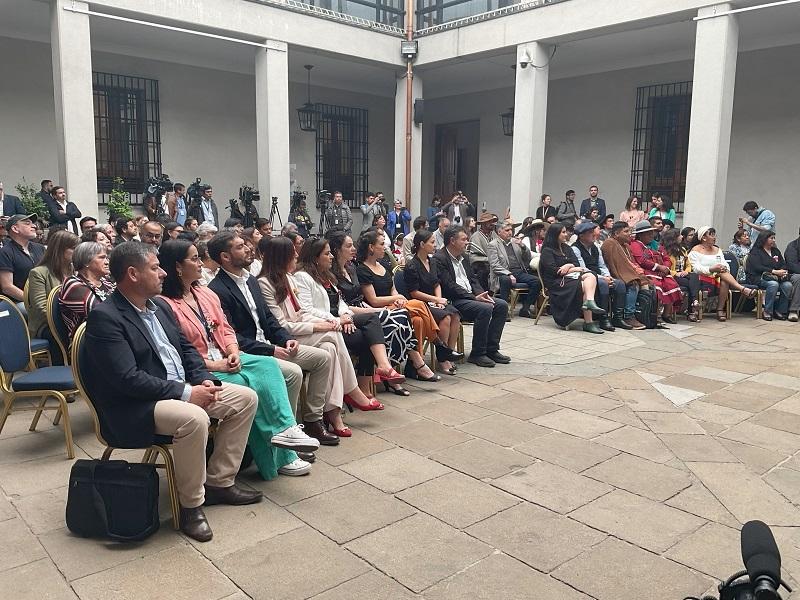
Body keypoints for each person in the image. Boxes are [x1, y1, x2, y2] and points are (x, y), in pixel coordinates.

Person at [80, 241, 261, 542]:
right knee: (193, 418)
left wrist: (204, 379)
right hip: (137, 404)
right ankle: (191, 506)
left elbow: (187, 350)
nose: (164, 273)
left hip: (176, 389)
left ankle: (219, 482)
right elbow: (127, 379)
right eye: (155, 268)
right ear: (133, 274)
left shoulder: (159, 306)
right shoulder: (106, 317)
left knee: (245, 398)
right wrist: (186, 393)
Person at [158, 240, 319, 478]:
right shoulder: (165, 305)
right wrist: (216, 364)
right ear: (178, 267)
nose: (201, 263)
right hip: (203, 367)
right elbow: (180, 352)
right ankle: (279, 458)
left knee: (268, 365)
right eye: (194, 259)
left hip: (228, 355)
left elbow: (226, 328)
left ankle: (286, 429)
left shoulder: (205, 293)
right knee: (250, 389)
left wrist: (233, 351)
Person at [206, 232, 337, 446]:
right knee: (293, 373)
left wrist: (285, 339)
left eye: (246, 245)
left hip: (271, 344)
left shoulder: (250, 280)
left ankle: (313, 420)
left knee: (323, 358)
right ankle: (287, 430)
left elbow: (268, 318)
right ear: (225, 257)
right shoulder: (217, 289)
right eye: (240, 247)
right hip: (251, 352)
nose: (248, 249)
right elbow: (232, 336)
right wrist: (271, 350)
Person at [259, 236, 383, 438]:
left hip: (302, 330)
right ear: (281, 257)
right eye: (292, 253)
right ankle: (350, 393)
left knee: (329, 349)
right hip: (287, 337)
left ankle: (324, 414)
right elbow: (282, 325)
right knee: (333, 334)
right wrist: (321, 326)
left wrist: (327, 322)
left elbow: (302, 312)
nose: (296, 256)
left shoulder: (289, 278)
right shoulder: (265, 283)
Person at [294, 237, 405, 395]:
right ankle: (362, 390)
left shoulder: (325, 275)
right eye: (327, 254)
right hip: (324, 325)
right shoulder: (302, 277)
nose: (331, 256)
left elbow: (340, 302)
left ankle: (383, 366)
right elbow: (307, 310)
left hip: (340, 318)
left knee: (372, 320)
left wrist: (345, 315)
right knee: (367, 336)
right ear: (315, 257)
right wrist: (339, 320)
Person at [328, 231, 415, 396]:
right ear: (337, 250)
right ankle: (396, 368)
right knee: (392, 318)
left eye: (353, 245)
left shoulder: (351, 268)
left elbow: (362, 297)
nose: (353, 249)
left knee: (400, 315)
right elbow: (343, 305)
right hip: (352, 312)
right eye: (348, 246)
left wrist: (386, 305)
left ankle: (391, 369)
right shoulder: (332, 274)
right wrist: (380, 309)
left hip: (362, 308)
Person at [357, 230, 441, 382]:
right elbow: (373, 300)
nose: (385, 247)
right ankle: (436, 345)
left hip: (395, 305)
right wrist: (397, 298)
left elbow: (393, 289)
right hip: (380, 310)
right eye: (381, 244)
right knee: (419, 304)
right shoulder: (362, 269)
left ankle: (414, 365)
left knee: (418, 320)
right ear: (371, 247)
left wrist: (398, 300)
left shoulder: (384, 265)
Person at [433, 226, 509, 366]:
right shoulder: (440, 258)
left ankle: (491, 349)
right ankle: (478, 353)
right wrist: (474, 298)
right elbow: (449, 285)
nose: (467, 242)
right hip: (454, 300)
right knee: (485, 308)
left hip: (471, 297)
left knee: (501, 305)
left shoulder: (465, 257)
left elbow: (473, 280)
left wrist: (481, 294)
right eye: (463, 239)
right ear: (452, 241)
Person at [404, 230, 464, 374]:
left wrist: (439, 300)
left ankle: (449, 352)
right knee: (445, 317)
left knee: (455, 314)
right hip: (421, 303)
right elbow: (414, 293)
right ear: (422, 244)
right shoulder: (412, 265)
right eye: (432, 242)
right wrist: (435, 299)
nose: (435, 245)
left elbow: (437, 283)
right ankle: (442, 358)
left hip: (435, 301)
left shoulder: (433, 261)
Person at [538, 223, 606, 334]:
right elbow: (555, 271)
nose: (566, 234)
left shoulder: (567, 248)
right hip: (557, 283)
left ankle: (589, 301)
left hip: (570, 278)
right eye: (563, 232)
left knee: (591, 275)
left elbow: (576, 263)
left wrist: (568, 266)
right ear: (555, 234)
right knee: (585, 286)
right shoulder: (547, 251)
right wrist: (571, 268)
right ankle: (588, 322)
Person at [25, 230, 79, 353]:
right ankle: (63, 363)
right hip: (46, 324)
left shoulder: (75, 269)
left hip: (71, 319)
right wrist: (67, 319)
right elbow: (41, 307)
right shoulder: (38, 273)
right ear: (60, 250)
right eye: (73, 248)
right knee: (65, 333)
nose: (77, 252)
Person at [689, 226, 756, 322]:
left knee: (724, 279)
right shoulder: (695, 250)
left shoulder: (717, 250)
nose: (714, 237)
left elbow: (725, 263)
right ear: (703, 238)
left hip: (718, 277)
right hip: (702, 278)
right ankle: (742, 290)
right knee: (723, 277)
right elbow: (695, 268)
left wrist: (724, 267)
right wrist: (711, 269)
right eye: (712, 235)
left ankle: (720, 309)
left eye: (715, 235)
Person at [58, 241, 116, 341]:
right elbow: (101, 313)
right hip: (90, 341)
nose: (107, 262)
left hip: (112, 332)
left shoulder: (105, 282)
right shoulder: (73, 285)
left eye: (106, 258)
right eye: (102, 258)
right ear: (86, 262)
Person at [630, 220, 682, 323]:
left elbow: (667, 259)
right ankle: (656, 315)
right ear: (640, 235)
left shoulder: (656, 245)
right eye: (648, 233)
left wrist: (665, 268)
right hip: (647, 272)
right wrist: (659, 267)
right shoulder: (635, 245)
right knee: (657, 287)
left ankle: (666, 314)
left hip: (661, 272)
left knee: (671, 284)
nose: (651, 235)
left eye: (651, 232)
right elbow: (642, 261)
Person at [571, 221, 619, 331]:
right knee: (603, 284)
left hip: (600, 275)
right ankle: (603, 318)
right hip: (586, 277)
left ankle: (618, 318)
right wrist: (603, 278)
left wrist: (608, 276)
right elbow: (583, 269)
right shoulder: (575, 248)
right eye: (590, 232)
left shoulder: (595, 247)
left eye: (593, 231)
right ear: (581, 236)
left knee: (619, 284)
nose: (594, 234)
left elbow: (602, 265)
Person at [488, 220, 541, 318]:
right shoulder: (493, 244)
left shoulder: (515, 242)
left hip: (519, 272)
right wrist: (508, 273)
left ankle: (525, 308)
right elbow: (495, 265)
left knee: (537, 282)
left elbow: (527, 258)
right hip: (502, 273)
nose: (510, 232)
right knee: (506, 280)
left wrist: (523, 246)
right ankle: (503, 311)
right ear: (499, 232)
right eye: (507, 230)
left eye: (511, 230)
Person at [600, 222, 648, 330]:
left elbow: (631, 262)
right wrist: (630, 275)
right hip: (614, 274)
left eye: (629, 231)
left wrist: (636, 271)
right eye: (626, 231)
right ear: (616, 233)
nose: (629, 234)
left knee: (648, 285)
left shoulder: (626, 245)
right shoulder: (609, 243)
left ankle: (644, 316)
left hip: (627, 272)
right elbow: (612, 264)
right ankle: (628, 316)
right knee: (632, 283)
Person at [745, 230, 792, 321]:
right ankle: (767, 311)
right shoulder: (755, 251)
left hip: (776, 277)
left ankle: (780, 310)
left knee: (788, 285)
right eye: (771, 238)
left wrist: (783, 271)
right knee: (773, 284)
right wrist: (774, 271)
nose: (774, 240)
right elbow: (757, 267)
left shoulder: (775, 251)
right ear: (764, 239)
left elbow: (783, 263)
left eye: (774, 238)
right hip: (758, 277)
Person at [0, 214, 45, 301]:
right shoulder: (5, 252)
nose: (34, 226)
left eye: (32, 223)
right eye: (27, 223)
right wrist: (32, 301)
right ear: (15, 229)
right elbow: (7, 287)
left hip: (43, 298)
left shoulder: (40, 248)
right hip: (17, 302)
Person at [661, 228, 701, 322]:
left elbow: (688, 264)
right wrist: (676, 273)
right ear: (673, 237)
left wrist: (686, 271)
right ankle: (692, 309)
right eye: (679, 235)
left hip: (684, 274)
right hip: (672, 276)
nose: (682, 236)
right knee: (692, 285)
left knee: (694, 276)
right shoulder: (666, 251)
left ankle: (693, 303)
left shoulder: (683, 249)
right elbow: (665, 267)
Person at [468, 212, 497, 291]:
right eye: (489, 221)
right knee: (483, 270)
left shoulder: (494, 234)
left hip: (493, 264)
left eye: (492, 221)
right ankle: (484, 292)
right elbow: (472, 257)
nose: (492, 223)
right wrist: (489, 259)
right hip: (480, 265)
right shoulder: (475, 236)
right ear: (483, 223)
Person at [783, 228, 800, 322]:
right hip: (792, 274)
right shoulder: (792, 246)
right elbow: (792, 265)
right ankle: (793, 310)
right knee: (798, 278)